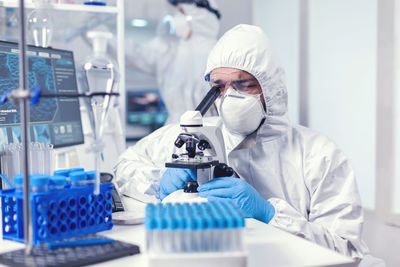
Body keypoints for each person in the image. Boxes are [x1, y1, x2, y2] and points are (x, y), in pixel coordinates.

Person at [115, 24, 384, 265]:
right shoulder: (192, 136)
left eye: (243, 85)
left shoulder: (318, 155)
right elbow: (123, 166)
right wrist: (157, 182)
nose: (230, 97)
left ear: (271, 88)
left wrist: (270, 215)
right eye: (219, 86)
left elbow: (346, 252)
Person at [125, 0, 220, 124]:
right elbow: (135, 53)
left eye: (181, 12)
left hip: (209, 129)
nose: (176, 17)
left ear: (200, 15)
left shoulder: (217, 54)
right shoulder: (172, 51)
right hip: (174, 129)